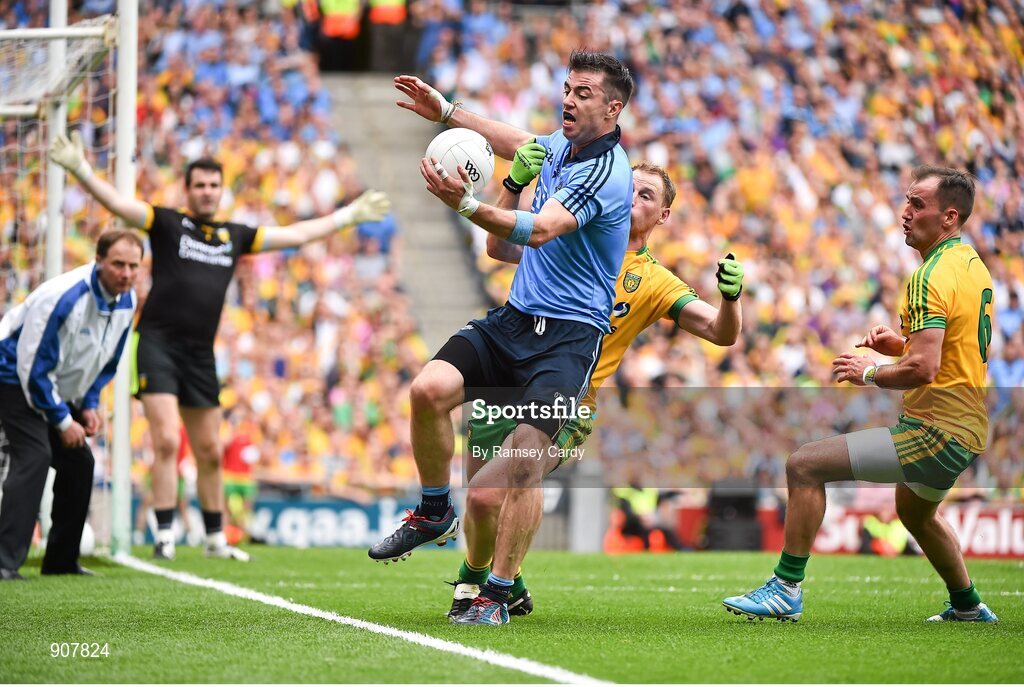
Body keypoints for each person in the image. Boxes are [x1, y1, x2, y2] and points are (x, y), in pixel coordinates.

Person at [368, 50, 634, 625]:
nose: (567, 99)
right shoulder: (566, 146)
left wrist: (466, 203)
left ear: (612, 109)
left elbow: (539, 230)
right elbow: (513, 139)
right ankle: (435, 509)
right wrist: (445, 111)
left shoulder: (607, 172)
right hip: (515, 319)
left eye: (583, 93)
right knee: (427, 389)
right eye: (566, 88)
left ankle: (496, 592)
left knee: (522, 465)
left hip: (568, 339)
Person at [49, 131, 390, 562]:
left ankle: (214, 540)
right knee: (168, 441)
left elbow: (296, 235)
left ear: (221, 190)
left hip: (200, 354)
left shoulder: (235, 235)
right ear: (188, 190)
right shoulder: (168, 222)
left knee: (209, 449)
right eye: (200, 185)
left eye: (214, 185)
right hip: (155, 343)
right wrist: (80, 167)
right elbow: (119, 207)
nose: (207, 191)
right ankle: (166, 534)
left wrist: (348, 216)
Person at [447, 162, 744, 619]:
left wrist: (730, 300)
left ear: (664, 215)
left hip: (567, 400)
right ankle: (512, 584)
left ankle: (486, 586)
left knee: (491, 490)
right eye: (629, 189)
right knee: (481, 500)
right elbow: (498, 247)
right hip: (509, 379)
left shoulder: (654, 280)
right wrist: (511, 186)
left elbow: (720, 334)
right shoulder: (571, 235)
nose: (632, 199)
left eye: (646, 196)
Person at [723, 165, 999, 623]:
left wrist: (872, 370)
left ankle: (786, 588)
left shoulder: (929, 276)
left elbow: (925, 368)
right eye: (906, 200)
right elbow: (951, 348)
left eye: (918, 204)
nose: (905, 212)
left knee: (804, 464)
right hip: (966, 426)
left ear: (949, 218)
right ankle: (969, 606)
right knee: (916, 514)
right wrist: (901, 344)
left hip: (938, 430)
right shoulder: (972, 266)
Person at [0, 230, 143, 580]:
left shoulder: (127, 301)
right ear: (98, 261)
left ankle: (61, 562)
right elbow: (32, 369)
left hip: (48, 387)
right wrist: (64, 421)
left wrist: (90, 403)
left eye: (133, 266)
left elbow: (105, 361)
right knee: (35, 455)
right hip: (10, 377)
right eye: (118, 264)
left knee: (80, 463)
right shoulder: (62, 297)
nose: (126, 273)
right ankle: (4, 562)